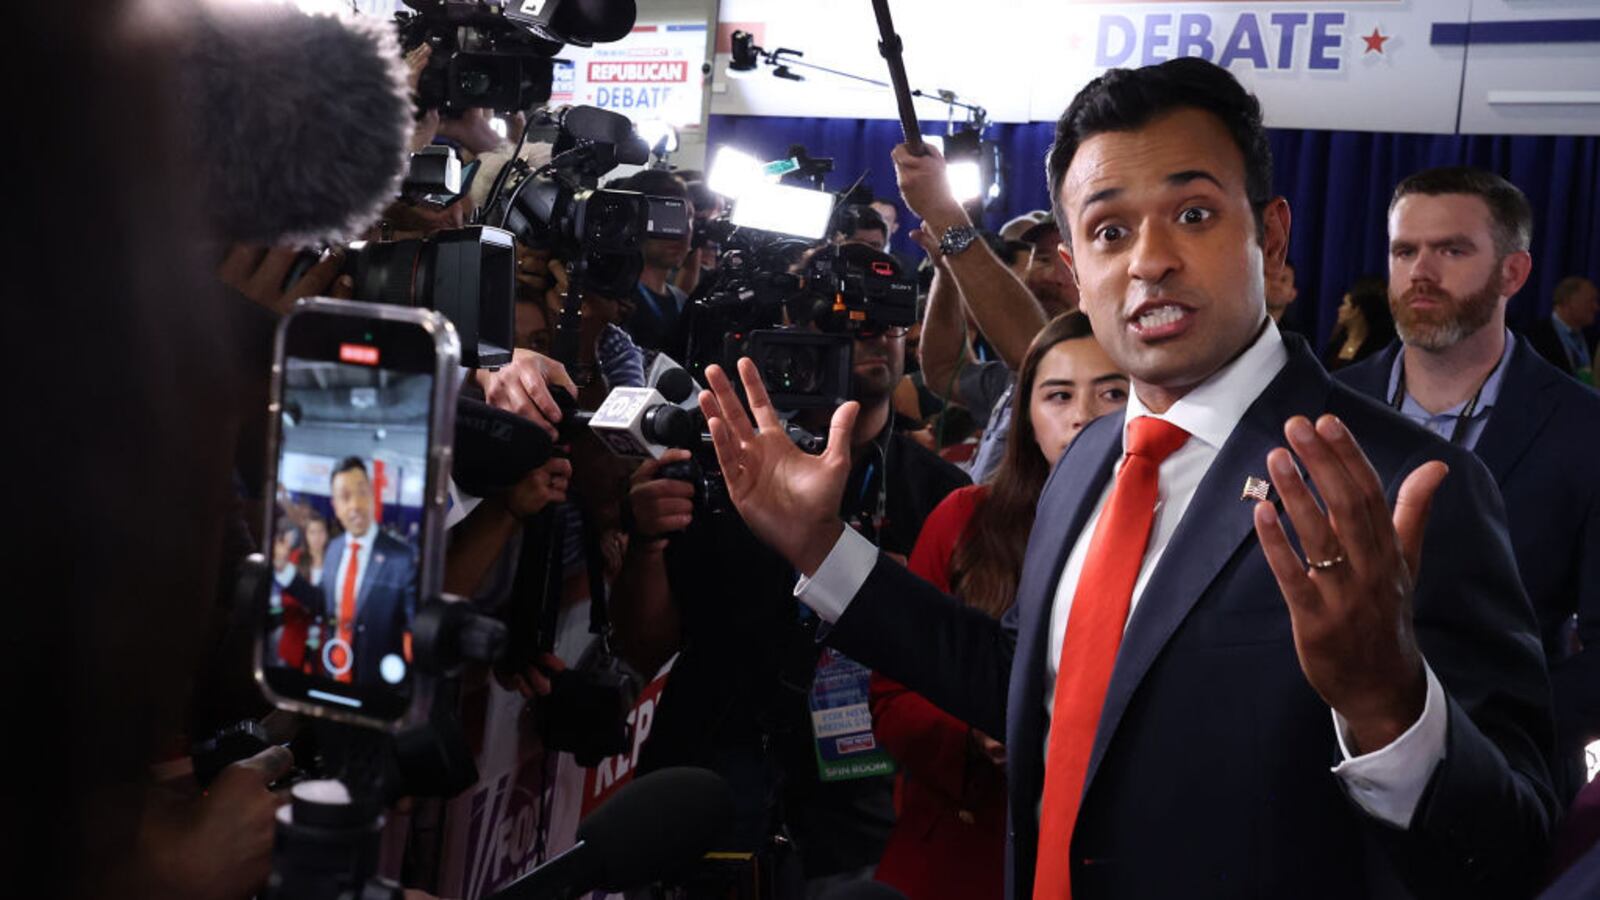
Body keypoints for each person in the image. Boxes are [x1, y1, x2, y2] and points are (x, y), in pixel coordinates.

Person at [696, 58, 1557, 898]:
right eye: (1110, 230)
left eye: (1192, 213)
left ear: (1273, 235)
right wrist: (820, 544)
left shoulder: (1404, 482)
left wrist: (1392, 712)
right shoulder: (1088, 462)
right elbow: (1032, 687)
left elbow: (1513, 851)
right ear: (1074, 269)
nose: (1150, 261)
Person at [611, 244, 970, 897]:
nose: (870, 339)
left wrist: (897, 597)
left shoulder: (941, 494)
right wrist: (645, 543)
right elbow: (645, 647)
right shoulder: (721, 464)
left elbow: (968, 670)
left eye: (885, 323)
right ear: (793, 331)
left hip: (860, 796)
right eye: (842, 320)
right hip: (714, 770)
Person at [1337, 167, 1600, 800]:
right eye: (1406, 251)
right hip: (1318, 768)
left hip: (1499, 783)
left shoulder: (1585, 430)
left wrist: (1499, 741)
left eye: (1451, 250)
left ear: (1513, 272)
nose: (1421, 271)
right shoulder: (1324, 406)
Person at [872, 313, 1127, 900]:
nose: (1083, 416)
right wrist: (976, 732)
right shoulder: (963, 518)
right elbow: (891, 699)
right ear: (1026, 416)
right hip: (966, 846)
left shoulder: (1182, 531)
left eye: (1112, 392)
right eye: (1058, 395)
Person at [318, 456, 419, 685]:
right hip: (330, 676)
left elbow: (415, 627)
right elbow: (323, 606)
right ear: (335, 506)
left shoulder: (402, 558)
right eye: (345, 497)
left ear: (373, 495)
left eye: (362, 492)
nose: (355, 504)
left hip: (378, 687)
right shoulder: (333, 549)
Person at [610, 168, 694, 357]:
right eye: (671, 218)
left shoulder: (681, 300)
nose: (684, 231)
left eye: (690, 219)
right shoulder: (616, 301)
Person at [1527, 275, 1598, 382]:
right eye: (1590, 301)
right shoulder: (1534, 336)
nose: (1596, 307)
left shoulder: (1593, 338)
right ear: (1568, 301)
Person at [1322, 275, 1395, 371]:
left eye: (1345, 304)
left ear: (1358, 310)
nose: (1340, 309)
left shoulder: (1380, 348)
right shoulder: (1336, 341)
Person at [1266, 257, 1298, 324]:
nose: (1276, 284)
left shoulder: (1298, 333)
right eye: (1271, 277)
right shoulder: (1242, 328)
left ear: (1292, 294)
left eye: (1283, 280)